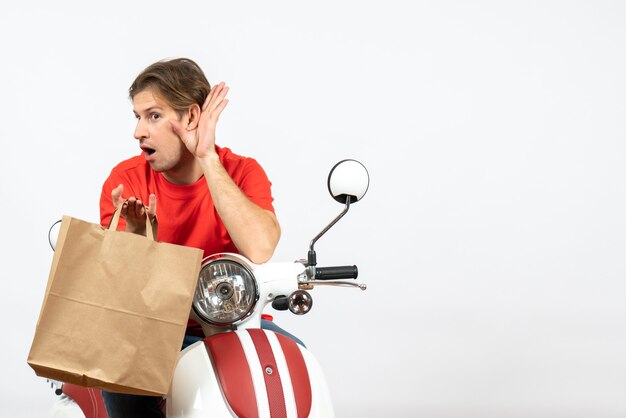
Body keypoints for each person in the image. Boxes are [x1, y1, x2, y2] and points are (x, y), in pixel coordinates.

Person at [98, 57, 294, 418]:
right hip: (156, 333)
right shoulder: (125, 181)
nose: (138, 131)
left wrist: (206, 157)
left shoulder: (242, 171)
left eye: (153, 116)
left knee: (295, 370)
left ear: (190, 118)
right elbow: (120, 290)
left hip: (238, 327)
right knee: (119, 376)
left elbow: (260, 247)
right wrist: (139, 234)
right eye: (137, 117)